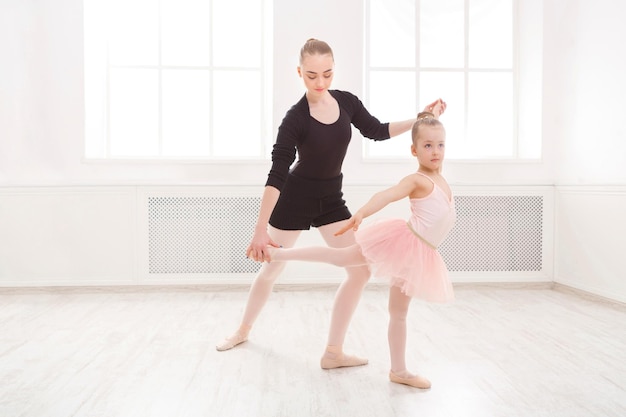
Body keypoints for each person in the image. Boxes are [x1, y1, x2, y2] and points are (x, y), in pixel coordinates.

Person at [216, 38, 446, 371]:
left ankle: (333, 352)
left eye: (327, 74)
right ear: (299, 72)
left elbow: (377, 131)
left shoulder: (346, 102)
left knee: (360, 269)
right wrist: (259, 230)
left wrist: (421, 119)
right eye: (311, 76)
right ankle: (242, 330)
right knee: (272, 269)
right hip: (295, 198)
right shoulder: (295, 118)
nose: (321, 83)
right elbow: (278, 173)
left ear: (334, 69)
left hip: (330, 200)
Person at [265, 113, 455, 389]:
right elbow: (387, 195)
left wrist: (428, 114)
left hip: (420, 254)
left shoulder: (442, 180)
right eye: (427, 145)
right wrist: (362, 213)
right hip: (402, 243)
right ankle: (278, 253)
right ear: (414, 150)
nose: (435, 151)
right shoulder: (417, 180)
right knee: (342, 258)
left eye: (440, 145)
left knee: (399, 313)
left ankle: (399, 370)